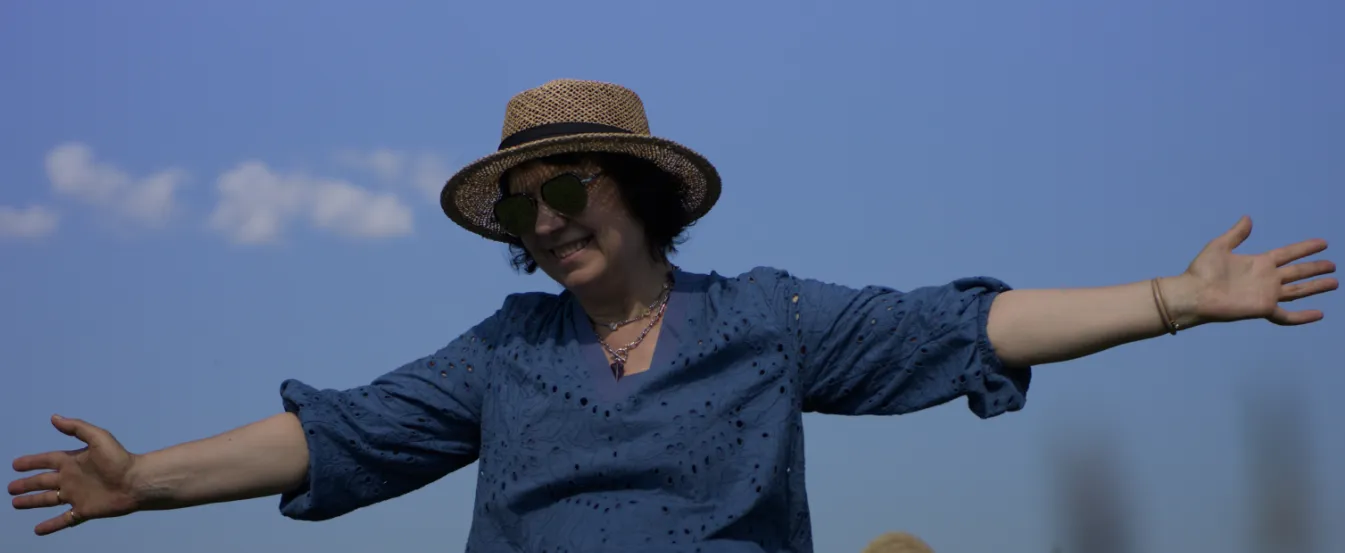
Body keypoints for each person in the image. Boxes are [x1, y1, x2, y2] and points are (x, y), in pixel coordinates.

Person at [8, 79, 1336, 552]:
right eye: (522, 205)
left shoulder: (767, 318)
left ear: (637, 192)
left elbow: (965, 330)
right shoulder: (505, 353)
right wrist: (144, 482)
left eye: (567, 189)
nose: (545, 221)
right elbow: (338, 433)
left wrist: (1176, 300)